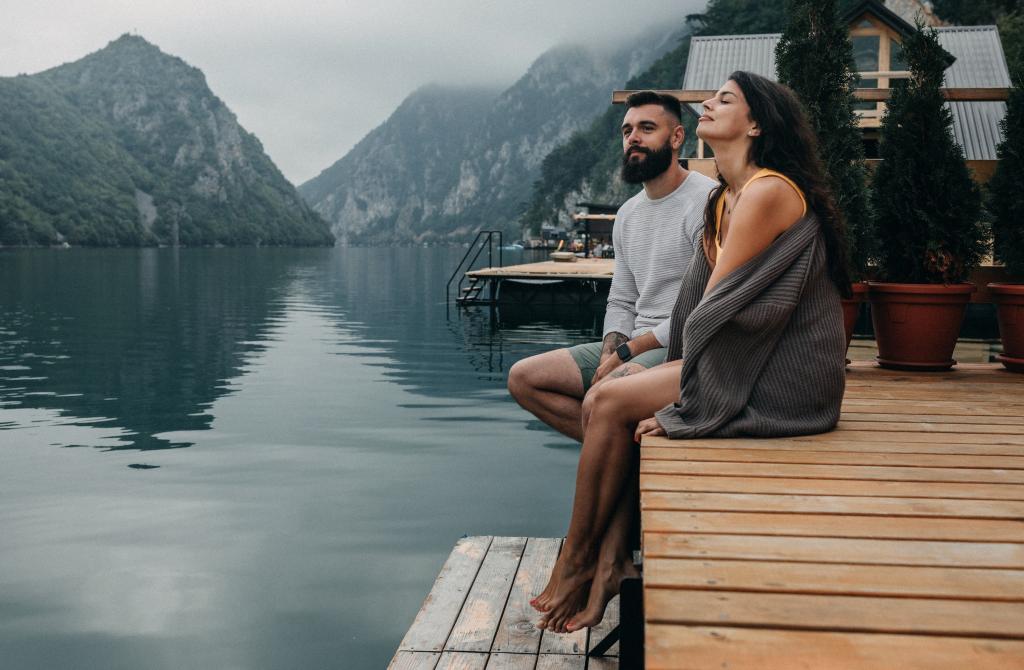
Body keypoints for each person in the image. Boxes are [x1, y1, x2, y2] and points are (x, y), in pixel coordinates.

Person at [532, 71, 852, 633]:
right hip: (742, 355)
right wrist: (642, 363)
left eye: (724, 99)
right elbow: (695, 311)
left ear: (754, 124)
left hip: (779, 374)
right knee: (611, 400)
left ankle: (581, 560)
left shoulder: (767, 192)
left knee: (607, 403)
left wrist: (683, 405)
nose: (708, 102)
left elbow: (714, 309)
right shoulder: (727, 197)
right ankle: (606, 563)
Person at [507, 91, 717, 442]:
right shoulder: (628, 214)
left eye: (646, 128)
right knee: (524, 378)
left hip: (682, 345)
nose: (632, 137)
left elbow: (703, 306)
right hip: (634, 342)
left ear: (677, 137)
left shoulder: (707, 201)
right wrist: (609, 352)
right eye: (626, 130)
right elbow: (621, 299)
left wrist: (629, 352)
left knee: (599, 398)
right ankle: (620, 450)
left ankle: (612, 462)